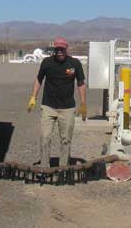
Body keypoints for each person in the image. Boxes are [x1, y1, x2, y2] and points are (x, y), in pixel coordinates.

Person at [27, 37, 86, 167]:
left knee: (65, 140)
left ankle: (63, 168)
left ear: (67, 49)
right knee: (45, 137)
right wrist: (33, 97)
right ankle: (44, 166)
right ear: (54, 49)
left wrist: (83, 103)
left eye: (62, 49)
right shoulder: (47, 63)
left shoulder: (75, 64)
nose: (59, 52)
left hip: (67, 108)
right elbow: (39, 80)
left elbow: (81, 83)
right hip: (48, 106)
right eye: (57, 49)